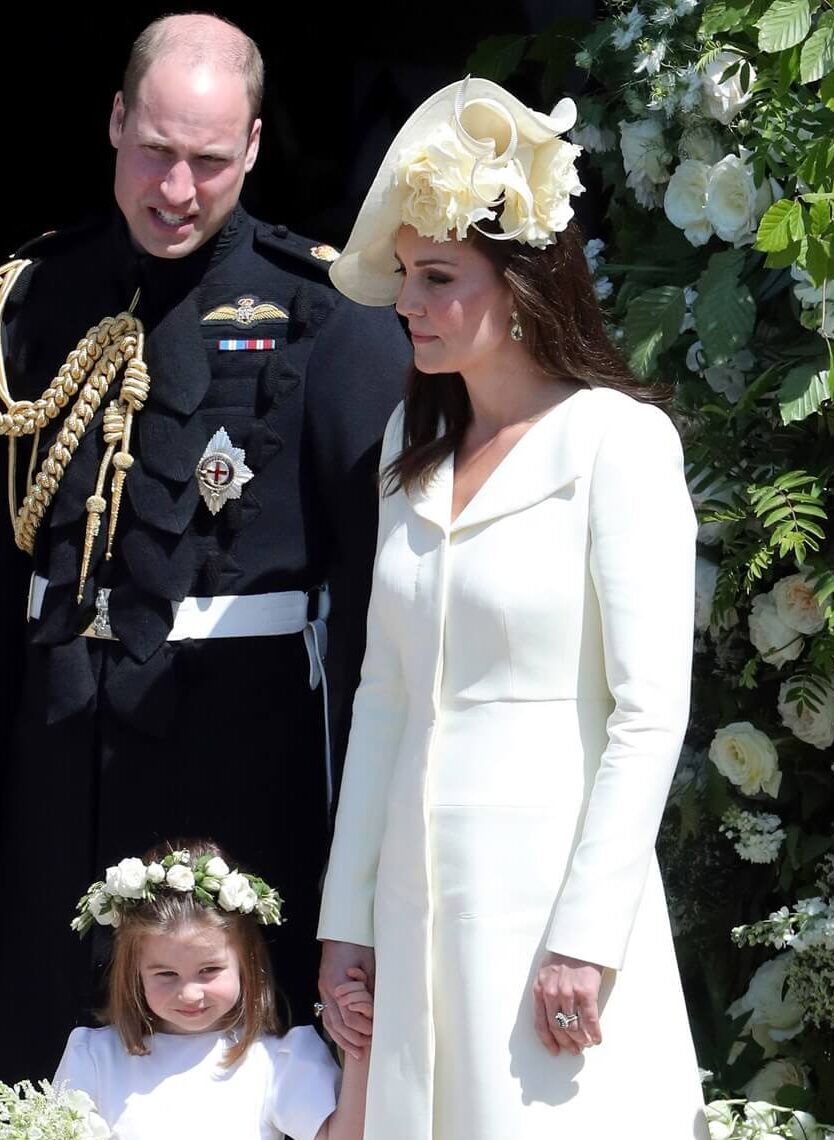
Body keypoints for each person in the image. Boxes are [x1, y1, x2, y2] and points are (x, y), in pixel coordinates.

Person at [0, 13, 407, 1081]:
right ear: (116, 120)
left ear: (257, 147)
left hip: (234, 742)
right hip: (59, 735)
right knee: (49, 1030)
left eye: (210, 161)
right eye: (156, 152)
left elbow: (373, 580)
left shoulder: (321, 306)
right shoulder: (37, 296)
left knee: (224, 1053)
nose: (176, 190)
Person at [316, 78, 709, 1139]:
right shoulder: (408, 450)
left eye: (438, 276)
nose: (408, 301)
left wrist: (588, 935)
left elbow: (648, 712)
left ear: (525, 283)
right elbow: (382, 697)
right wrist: (347, 918)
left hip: (551, 912)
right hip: (413, 905)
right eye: (405, 275)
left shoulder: (617, 445)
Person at [55, 839, 374, 1140]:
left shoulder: (275, 1059)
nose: (190, 993)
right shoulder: (94, 1057)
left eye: (209, 970)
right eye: (166, 974)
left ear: (245, 963)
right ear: (135, 971)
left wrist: (361, 1040)